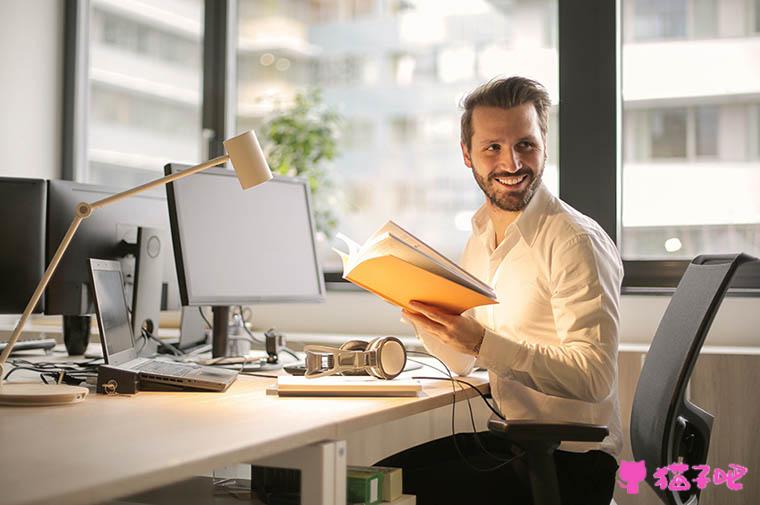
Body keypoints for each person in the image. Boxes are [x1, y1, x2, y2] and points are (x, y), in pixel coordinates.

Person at [378, 76, 623, 505]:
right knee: (374, 479)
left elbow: (594, 377)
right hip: (517, 446)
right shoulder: (481, 234)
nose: (511, 163)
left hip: (571, 464)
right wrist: (424, 312)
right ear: (467, 155)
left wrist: (481, 341)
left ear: (544, 143)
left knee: (375, 493)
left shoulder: (573, 241)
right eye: (493, 147)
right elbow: (457, 361)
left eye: (525, 144)